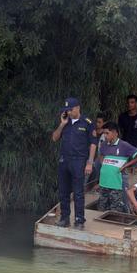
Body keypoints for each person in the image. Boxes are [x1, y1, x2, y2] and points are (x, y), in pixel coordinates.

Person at [51, 97, 98, 229]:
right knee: (63, 191)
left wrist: (90, 162)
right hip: (64, 160)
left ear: (77, 108)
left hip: (79, 161)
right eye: (67, 110)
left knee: (78, 192)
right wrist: (62, 124)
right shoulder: (66, 122)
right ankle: (65, 218)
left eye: (70, 110)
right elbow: (54, 138)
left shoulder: (87, 123)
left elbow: (93, 144)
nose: (69, 112)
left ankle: (79, 220)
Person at [97, 122, 137, 212]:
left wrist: (126, 165)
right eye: (104, 133)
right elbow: (100, 155)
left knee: (115, 210)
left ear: (115, 133)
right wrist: (104, 166)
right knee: (101, 209)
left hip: (116, 184)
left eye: (107, 133)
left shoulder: (124, 145)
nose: (105, 136)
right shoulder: (104, 144)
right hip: (103, 183)